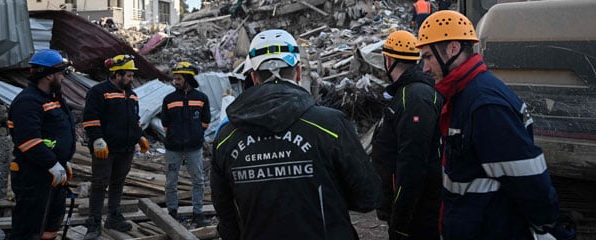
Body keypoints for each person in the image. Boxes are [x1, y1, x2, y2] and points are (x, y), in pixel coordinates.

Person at [416, 10, 574, 240]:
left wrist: (546, 226)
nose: (425, 68)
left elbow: (528, 182)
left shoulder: (484, 105)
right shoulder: (464, 96)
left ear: (452, 49)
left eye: (428, 56)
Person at [210, 29, 381, 240]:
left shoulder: (226, 137)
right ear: (298, 72)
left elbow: (226, 215)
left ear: (254, 77)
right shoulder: (330, 125)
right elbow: (368, 197)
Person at [372, 30, 443, 239]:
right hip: (412, 211)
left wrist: (400, 223)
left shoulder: (414, 98)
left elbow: (412, 166)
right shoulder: (405, 94)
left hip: (417, 216)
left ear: (389, 59)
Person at [7, 49, 75, 240]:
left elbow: (58, 133)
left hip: (52, 173)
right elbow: (28, 140)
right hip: (33, 174)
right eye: (60, 73)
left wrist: (63, 160)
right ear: (48, 75)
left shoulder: (54, 98)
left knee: (51, 222)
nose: (62, 77)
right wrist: (52, 164)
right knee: (30, 226)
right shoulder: (28, 102)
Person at [82, 54, 150, 240]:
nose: (131, 79)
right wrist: (97, 139)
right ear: (116, 75)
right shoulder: (99, 92)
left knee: (117, 183)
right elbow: (90, 118)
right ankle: (94, 222)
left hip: (126, 149)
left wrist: (140, 137)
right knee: (99, 184)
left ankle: (113, 217)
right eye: (128, 75)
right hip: (105, 149)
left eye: (131, 75)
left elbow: (134, 121)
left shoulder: (132, 95)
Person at [161, 61, 211, 227]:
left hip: (194, 148)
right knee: (170, 182)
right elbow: (165, 123)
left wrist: (195, 135)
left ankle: (198, 213)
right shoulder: (169, 99)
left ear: (188, 79)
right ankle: (172, 212)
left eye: (179, 79)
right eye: (175, 79)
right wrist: (176, 136)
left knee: (198, 180)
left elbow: (205, 121)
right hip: (172, 148)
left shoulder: (201, 98)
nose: (176, 82)